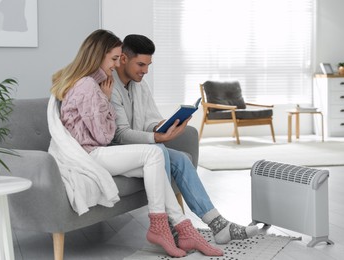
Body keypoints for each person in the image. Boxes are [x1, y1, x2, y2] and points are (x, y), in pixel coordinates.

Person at [49, 29, 223, 257]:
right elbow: (104, 136)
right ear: (97, 56)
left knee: (155, 163)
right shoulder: (88, 87)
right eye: (113, 58)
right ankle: (161, 227)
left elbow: (105, 130)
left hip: (94, 151)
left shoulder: (94, 84)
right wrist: (104, 99)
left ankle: (183, 228)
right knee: (154, 154)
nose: (115, 64)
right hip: (88, 154)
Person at [110, 34, 259, 244]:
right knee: (160, 153)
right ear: (123, 59)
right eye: (141, 64)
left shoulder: (140, 85)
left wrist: (166, 126)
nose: (145, 71)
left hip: (142, 147)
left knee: (181, 158)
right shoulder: (109, 86)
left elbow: (150, 120)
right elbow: (120, 134)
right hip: (118, 151)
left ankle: (218, 225)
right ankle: (173, 226)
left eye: (148, 65)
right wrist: (156, 136)